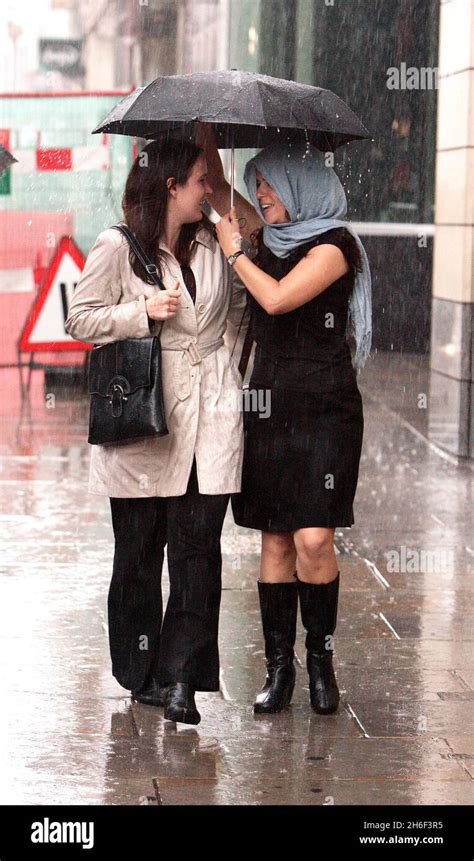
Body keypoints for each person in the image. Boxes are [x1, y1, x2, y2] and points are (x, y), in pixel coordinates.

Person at [65, 138, 249, 725]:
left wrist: (229, 218)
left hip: (212, 412)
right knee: (139, 559)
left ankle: (181, 682)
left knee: (198, 556)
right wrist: (141, 313)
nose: (207, 192)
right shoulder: (119, 246)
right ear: (170, 185)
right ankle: (141, 672)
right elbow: (80, 318)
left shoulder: (214, 243)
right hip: (148, 418)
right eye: (200, 181)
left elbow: (248, 295)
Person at [212, 140, 371, 716]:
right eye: (256, 184)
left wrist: (234, 254)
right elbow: (219, 193)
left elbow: (276, 299)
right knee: (276, 539)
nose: (259, 194)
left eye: (269, 184)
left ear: (300, 187)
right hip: (269, 404)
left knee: (313, 537)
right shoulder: (269, 237)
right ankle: (279, 669)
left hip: (325, 408)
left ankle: (321, 663)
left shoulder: (335, 245)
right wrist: (208, 144)